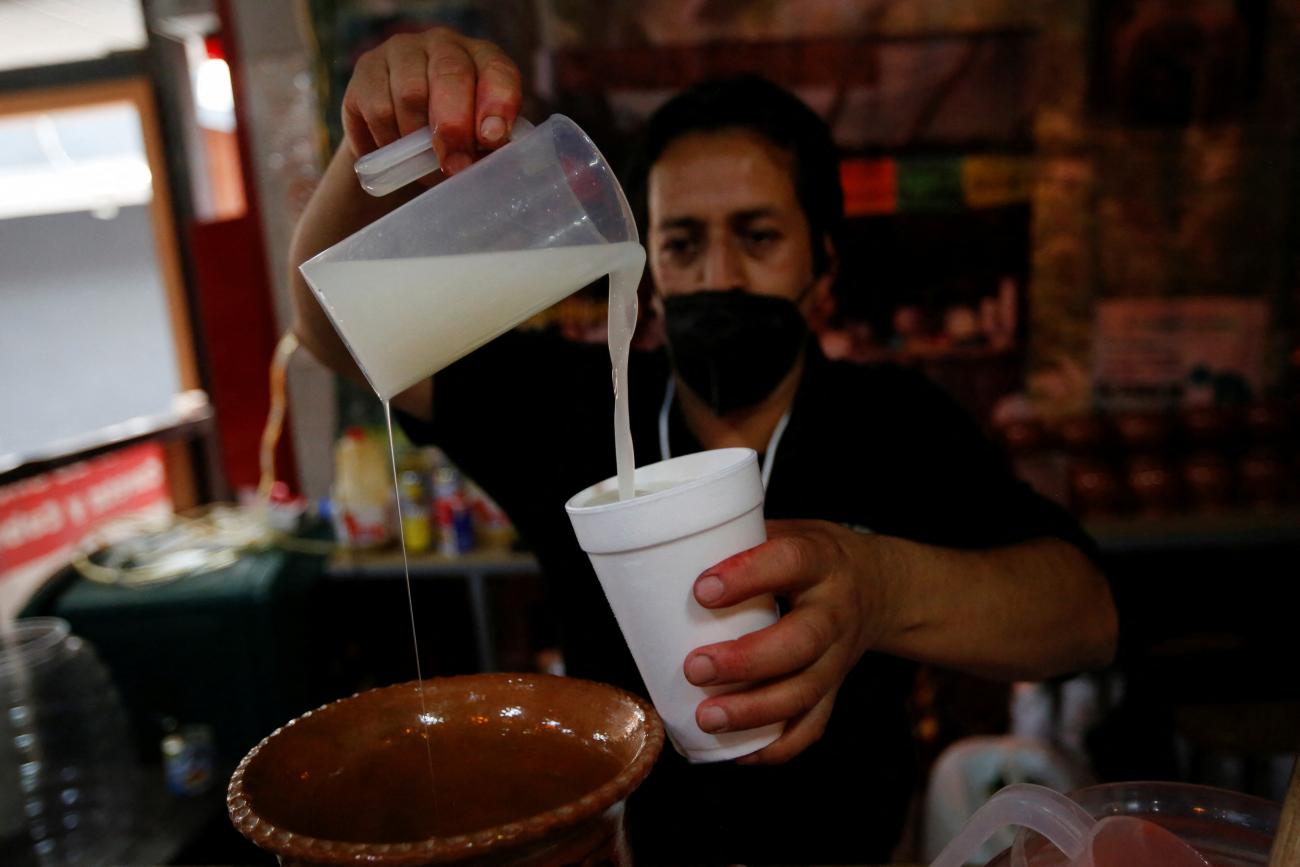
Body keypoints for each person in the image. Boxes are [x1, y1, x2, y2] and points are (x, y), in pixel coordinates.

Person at [290, 27, 1118, 865]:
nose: (719, 273)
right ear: (646, 275)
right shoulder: (575, 407)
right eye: (683, 243)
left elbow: (1086, 617)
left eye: (757, 237)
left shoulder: (893, 421)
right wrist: (378, 139)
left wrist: (883, 586)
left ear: (823, 268)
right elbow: (333, 327)